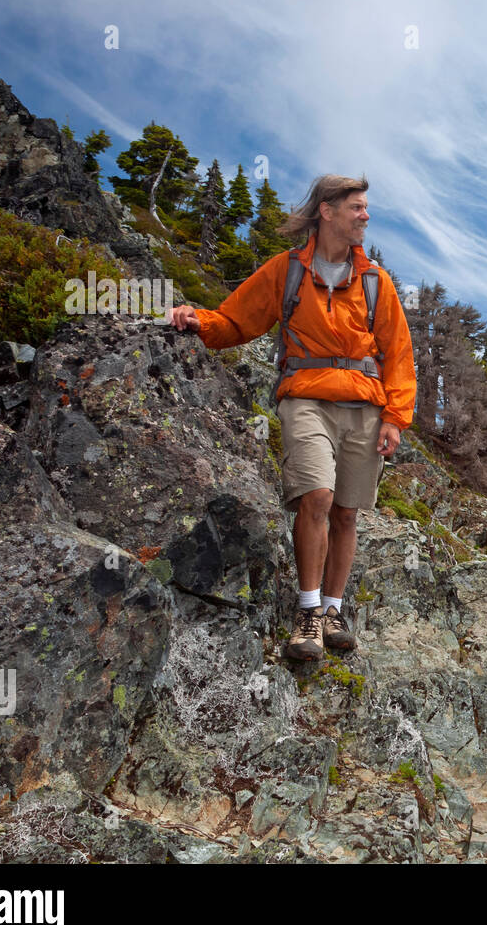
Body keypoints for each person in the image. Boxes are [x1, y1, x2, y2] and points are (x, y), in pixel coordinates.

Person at [167, 174, 415, 661]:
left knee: (346, 512)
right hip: (305, 397)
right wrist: (200, 320)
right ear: (327, 210)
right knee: (317, 497)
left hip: (364, 406)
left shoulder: (374, 280)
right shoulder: (287, 271)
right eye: (357, 208)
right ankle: (306, 618)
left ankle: (333, 610)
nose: (365, 216)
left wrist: (395, 417)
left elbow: (398, 354)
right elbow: (239, 319)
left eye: (366, 208)